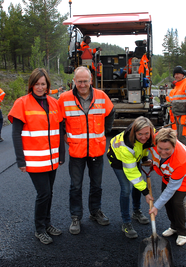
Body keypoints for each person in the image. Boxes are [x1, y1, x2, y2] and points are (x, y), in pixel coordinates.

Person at [8, 68, 65, 245]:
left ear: (47, 85)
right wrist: (20, 160)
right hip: (34, 160)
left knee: (49, 193)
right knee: (44, 193)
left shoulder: (54, 103)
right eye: (37, 84)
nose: (40, 87)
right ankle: (39, 229)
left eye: (43, 84)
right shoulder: (22, 103)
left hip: (52, 159)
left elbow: (59, 130)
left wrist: (61, 154)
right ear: (31, 85)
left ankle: (47, 224)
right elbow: (16, 134)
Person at [58, 66, 115, 235]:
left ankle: (95, 212)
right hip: (76, 152)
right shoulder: (64, 99)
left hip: (97, 150)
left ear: (91, 80)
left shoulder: (102, 97)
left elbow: (111, 112)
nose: (82, 85)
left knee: (96, 185)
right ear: (73, 81)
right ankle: (76, 217)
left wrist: (106, 130)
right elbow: (59, 121)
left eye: (85, 81)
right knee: (75, 186)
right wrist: (65, 136)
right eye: (79, 81)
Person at [148, 128, 186, 246]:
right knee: (167, 201)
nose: (162, 152)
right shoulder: (157, 138)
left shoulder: (181, 160)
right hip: (170, 170)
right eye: (160, 148)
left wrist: (156, 207)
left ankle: (182, 232)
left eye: (167, 149)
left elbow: (171, 188)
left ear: (174, 145)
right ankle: (173, 226)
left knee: (176, 201)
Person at [107, 116, 155, 238]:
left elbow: (144, 145)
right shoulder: (125, 146)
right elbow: (133, 173)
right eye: (140, 134)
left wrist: (144, 157)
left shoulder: (150, 133)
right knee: (126, 189)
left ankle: (136, 211)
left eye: (146, 133)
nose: (144, 137)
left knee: (137, 185)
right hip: (118, 159)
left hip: (134, 157)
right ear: (134, 132)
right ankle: (126, 222)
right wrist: (146, 192)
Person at [166, 66, 186, 148]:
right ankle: (182, 155)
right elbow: (174, 99)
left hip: (184, 116)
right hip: (177, 115)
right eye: (175, 74)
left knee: (184, 138)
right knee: (179, 137)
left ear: (183, 74)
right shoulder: (177, 86)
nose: (176, 76)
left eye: (178, 74)